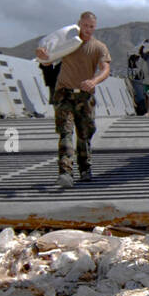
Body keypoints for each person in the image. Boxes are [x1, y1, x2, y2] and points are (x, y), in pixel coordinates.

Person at [36, 11, 111, 189]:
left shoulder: (99, 47)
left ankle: (85, 169)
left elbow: (105, 68)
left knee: (85, 134)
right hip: (64, 94)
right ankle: (65, 173)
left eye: (91, 26)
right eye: (85, 25)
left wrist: (94, 81)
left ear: (95, 27)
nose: (88, 29)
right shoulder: (68, 44)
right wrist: (42, 55)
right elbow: (48, 61)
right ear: (79, 24)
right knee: (66, 132)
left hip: (85, 96)